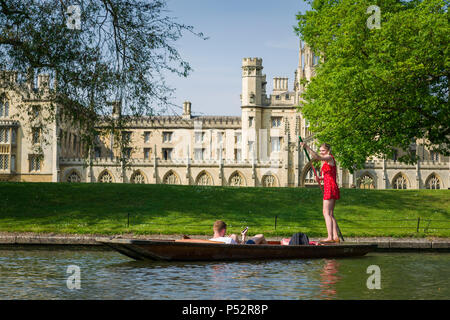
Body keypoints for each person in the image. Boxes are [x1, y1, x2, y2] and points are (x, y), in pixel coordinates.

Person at [300, 142, 340, 243]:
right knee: (330, 213)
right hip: (330, 185)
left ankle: (330, 237)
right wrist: (320, 178)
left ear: (328, 151)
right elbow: (329, 175)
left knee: (326, 212)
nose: (321, 153)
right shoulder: (326, 160)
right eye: (321, 151)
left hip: (330, 187)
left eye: (323, 151)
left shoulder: (329, 157)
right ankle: (335, 237)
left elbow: (317, 157)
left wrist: (307, 147)